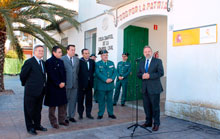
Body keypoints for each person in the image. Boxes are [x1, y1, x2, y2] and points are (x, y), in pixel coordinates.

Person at [20, 45, 47, 135]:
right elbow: (23, 75)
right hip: (31, 91)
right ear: (34, 52)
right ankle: (30, 127)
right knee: (29, 110)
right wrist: (27, 85)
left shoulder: (43, 62)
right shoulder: (29, 62)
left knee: (38, 110)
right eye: (39, 51)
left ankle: (37, 125)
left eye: (42, 51)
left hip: (41, 91)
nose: (41, 52)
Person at [137, 46, 164, 131]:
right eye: (145, 52)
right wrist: (142, 76)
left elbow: (161, 73)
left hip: (154, 88)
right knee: (146, 107)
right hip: (145, 89)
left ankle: (156, 124)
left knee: (155, 107)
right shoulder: (141, 62)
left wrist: (150, 76)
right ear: (143, 53)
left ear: (151, 52)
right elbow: (138, 74)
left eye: (148, 51)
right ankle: (148, 122)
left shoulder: (158, 61)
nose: (147, 53)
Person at [44, 46, 68, 129]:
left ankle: (62, 120)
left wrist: (64, 82)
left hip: (62, 86)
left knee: (62, 104)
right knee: (52, 106)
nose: (61, 54)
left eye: (61, 52)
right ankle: (53, 122)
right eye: (59, 52)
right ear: (54, 53)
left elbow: (64, 73)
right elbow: (51, 75)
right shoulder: (49, 62)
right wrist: (58, 83)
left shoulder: (61, 61)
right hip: (53, 87)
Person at [95, 50, 117, 119]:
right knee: (101, 100)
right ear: (101, 56)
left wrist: (112, 79)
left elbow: (115, 72)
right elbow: (98, 73)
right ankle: (100, 114)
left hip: (110, 85)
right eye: (104, 55)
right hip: (101, 85)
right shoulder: (98, 64)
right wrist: (105, 79)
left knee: (110, 100)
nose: (106, 56)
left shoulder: (111, 63)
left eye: (107, 55)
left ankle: (110, 113)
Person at [61, 44, 79, 123]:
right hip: (66, 84)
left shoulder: (76, 59)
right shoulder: (62, 59)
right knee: (65, 101)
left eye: (74, 50)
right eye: (72, 50)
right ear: (67, 50)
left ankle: (71, 116)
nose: (73, 51)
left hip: (75, 84)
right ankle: (64, 117)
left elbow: (77, 71)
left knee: (73, 101)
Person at [77, 49, 95, 120]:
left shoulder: (92, 61)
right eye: (85, 53)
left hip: (89, 85)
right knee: (80, 100)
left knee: (89, 100)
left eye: (88, 53)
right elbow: (77, 73)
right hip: (81, 85)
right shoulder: (79, 62)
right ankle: (80, 114)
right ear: (82, 54)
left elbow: (92, 71)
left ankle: (88, 114)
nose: (87, 55)